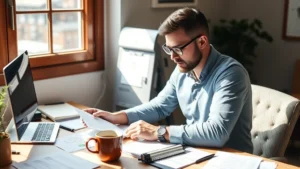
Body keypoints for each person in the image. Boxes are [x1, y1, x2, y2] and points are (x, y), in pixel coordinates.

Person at [84, 7, 253, 153]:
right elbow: (160, 106)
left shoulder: (231, 74)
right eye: (168, 49)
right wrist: (117, 117)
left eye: (178, 49)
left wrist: (159, 132)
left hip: (232, 159)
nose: (172, 57)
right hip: (196, 154)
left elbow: (217, 133)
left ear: (202, 41)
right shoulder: (183, 69)